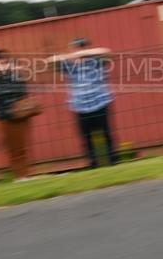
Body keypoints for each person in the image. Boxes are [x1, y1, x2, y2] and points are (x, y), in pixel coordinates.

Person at [48, 38, 118, 168]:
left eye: (81, 48)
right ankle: (93, 164)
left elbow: (107, 52)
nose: (78, 51)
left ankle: (113, 161)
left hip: (100, 103)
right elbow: (50, 61)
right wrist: (71, 56)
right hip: (80, 106)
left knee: (106, 134)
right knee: (86, 138)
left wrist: (85, 53)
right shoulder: (68, 65)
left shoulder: (96, 61)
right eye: (75, 48)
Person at [0, 49, 34, 181]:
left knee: (22, 146)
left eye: (0, 59)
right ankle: (19, 177)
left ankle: (26, 174)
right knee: (13, 147)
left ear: (5, 60)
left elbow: (23, 90)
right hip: (5, 115)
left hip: (20, 112)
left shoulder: (15, 73)